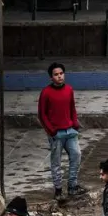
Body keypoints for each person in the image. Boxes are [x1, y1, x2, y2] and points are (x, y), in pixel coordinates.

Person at [38, 62, 82, 200]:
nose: (59, 77)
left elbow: (72, 108)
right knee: (56, 162)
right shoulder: (46, 93)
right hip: (56, 133)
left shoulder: (69, 89)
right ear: (51, 77)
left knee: (76, 155)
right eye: (56, 75)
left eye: (61, 74)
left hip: (70, 130)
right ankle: (58, 189)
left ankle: (72, 185)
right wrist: (51, 131)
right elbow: (42, 114)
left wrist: (75, 124)